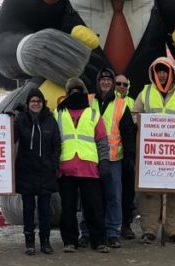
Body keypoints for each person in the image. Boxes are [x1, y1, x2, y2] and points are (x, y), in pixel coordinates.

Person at [131, 56, 175, 244]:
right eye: (158, 71)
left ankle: (173, 230)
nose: (161, 75)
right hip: (152, 153)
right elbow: (135, 113)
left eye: (164, 71)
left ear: (170, 72)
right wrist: (139, 125)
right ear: (154, 73)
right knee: (149, 192)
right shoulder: (145, 92)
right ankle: (149, 229)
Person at [57, 78, 111, 254]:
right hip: (66, 168)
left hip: (89, 168)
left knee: (94, 207)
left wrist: (104, 162)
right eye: (72, 91)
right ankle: (70, 241)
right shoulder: (58, 114)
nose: (75, 94)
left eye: (78, 90)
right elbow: (53, 141)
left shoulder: (94, 114)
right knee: (68, 209)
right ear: (67, 93)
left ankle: (99, 241)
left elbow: (102, 141)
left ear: (84, 92)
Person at [85, 68, 136, 248]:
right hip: (90, 156)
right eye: (102, 80)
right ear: (98, 82)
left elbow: (128, 132)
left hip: (114, 158)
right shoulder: (88, 100)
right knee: (90, 197)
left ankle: (113, 232)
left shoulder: (121, 105)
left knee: (114, 196)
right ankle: (87, 231)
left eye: (109, 80)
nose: (106, 83)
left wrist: (130, 155)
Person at [13, 87, 60, 255]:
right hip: (26, 169)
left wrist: (53, 164)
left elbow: (56, 144)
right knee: (28, 208)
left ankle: (45, 241)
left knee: (45, 209)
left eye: (38, 101)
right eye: (32, 101)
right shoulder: (22, 120)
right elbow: (12, 137)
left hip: (45, 171)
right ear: (28, 103)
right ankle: (29, 242)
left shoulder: (50, 120)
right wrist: (11, 120)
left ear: (43, 103)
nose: (35, 104)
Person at [114, 74, 138, 239]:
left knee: (128, 192)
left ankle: (126, 224)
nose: (121, 86)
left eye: (124, 84)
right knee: (111, 193)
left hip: (128, 155)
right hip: (111, 155)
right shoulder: (107, 101)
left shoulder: (133, 102)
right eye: (118, 83)